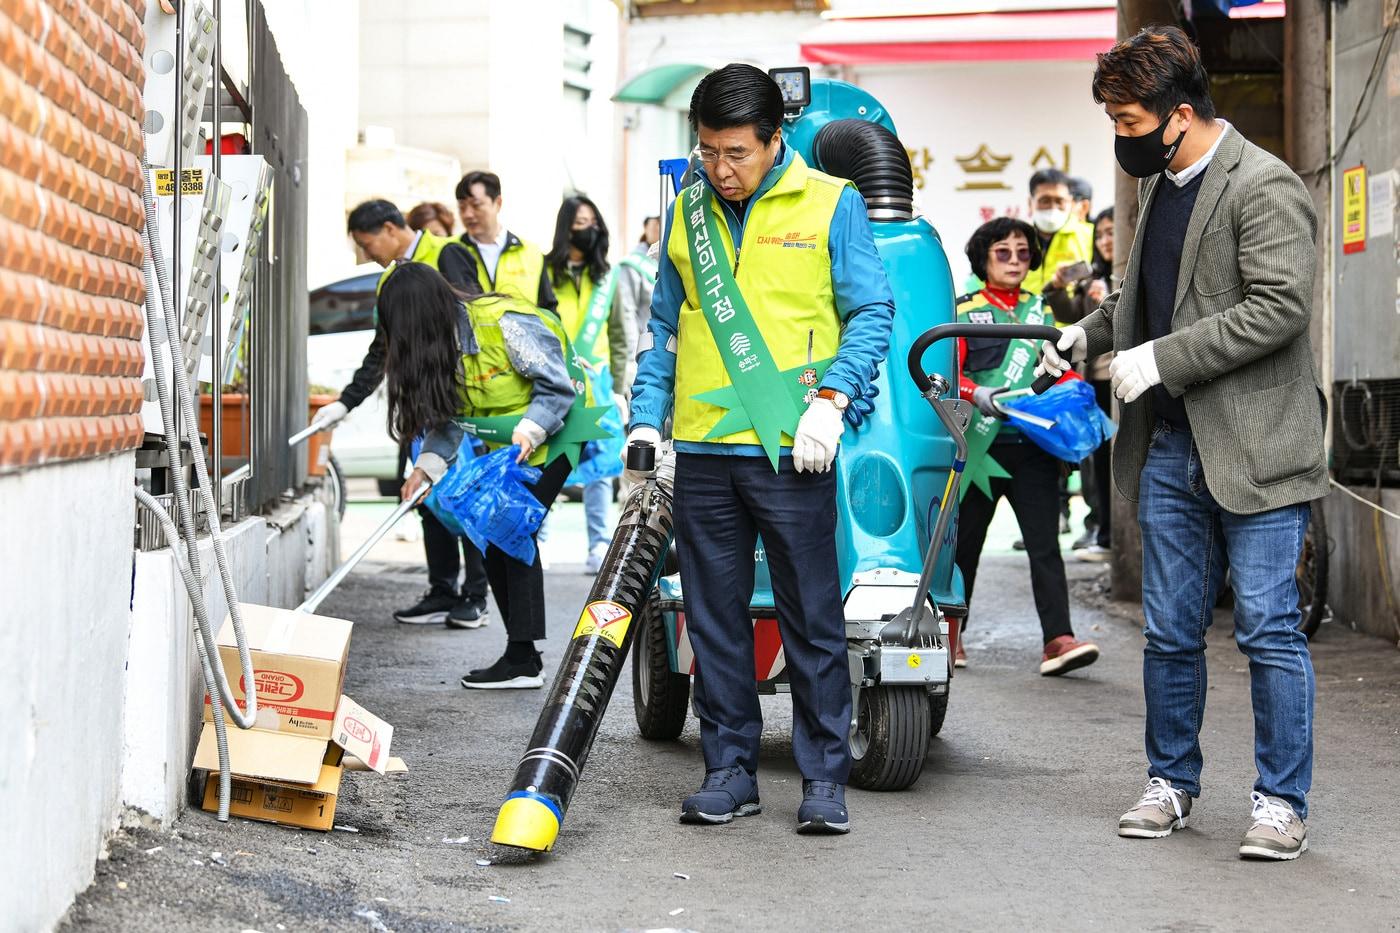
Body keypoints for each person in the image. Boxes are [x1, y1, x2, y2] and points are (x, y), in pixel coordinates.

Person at [1038, 26, 1326, 860]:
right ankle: (1172, 782)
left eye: (1128, 121)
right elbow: (1144, 299)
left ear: (1181, 113)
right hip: (1169, 446)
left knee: (1269, 629)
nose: (1120, 138)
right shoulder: (1162, 187)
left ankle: (1281, 800)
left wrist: (1158, 358)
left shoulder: (1263, 186)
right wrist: (1085, 336)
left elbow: (1278, 308)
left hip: (1256, 448)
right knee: (1168, 630)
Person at [628, 63, 894, 835]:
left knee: (811, 615)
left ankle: (821, 778)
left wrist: (834, 399)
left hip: (791, 446)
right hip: (705, 449)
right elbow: (668, 329)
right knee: (714, 619)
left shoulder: (831, 203)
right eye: (707, 150)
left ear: (776, 140)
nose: (720, 168)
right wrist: (649, 415)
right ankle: (730, 769)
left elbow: (871, 311)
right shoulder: (689, 213)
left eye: (737, 152)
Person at [384, 263, 578, 689]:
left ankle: (524, 659)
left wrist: (530, 428)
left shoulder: (502, 325)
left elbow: (558, 387)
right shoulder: (443, 347)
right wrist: (425, 469)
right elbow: (452, 420)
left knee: (511, 528)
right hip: (511, 451)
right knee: (489, 533)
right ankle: (521, 655)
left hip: (558, 434)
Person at [315, 200, 492, 631]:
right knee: (425, 498)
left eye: (366, 242)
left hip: (460, 402)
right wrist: (347, 401)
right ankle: (442, 589)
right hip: (422, 401)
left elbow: (466, 326)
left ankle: (475, 595)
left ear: (390, 229)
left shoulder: (446, 254)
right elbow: (384, 345)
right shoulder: (390, 279)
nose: (365, 253)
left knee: (467, 499)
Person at [952, 217, 1101, 676]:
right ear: (983, 259)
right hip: (981, 448)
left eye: (1022, 253)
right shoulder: (962, 309)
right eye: (1003, 252)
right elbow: (944, 376)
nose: (1015, 260)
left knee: (1044, 546)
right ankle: (949, 635)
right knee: (965, 547)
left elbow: (1058, 370)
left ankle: (1058, 639)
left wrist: (1074, 392)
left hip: (1034, 448)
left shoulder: (1041, 310)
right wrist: (974, 393)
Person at [544, 195, 635, 573]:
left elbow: (619, 337)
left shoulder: (607, 276)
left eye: (593, 221)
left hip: (596, 384)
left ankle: (598, 545)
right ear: (566, 228)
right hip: (553, 381)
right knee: (548, 460)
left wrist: (618, 387)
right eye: (581, 222)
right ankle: (540, 539)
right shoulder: (545, 273)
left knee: (600, 468)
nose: (589, 229)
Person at [1044, 206, 1115, 560]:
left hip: (1133, 380)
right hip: (1097, 382)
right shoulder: (1094, 279)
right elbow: (1073, 318)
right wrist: (1057, 287)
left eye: (1112, 232)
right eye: (1100, 234)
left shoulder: (1134, 276)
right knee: (1096, 459)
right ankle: (1102, 529)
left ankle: (1111, 532)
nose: (1105, 240)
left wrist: (1111, 298)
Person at [455, 170, 557, 312]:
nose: (468, 214)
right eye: (462, 207)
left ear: (498, 203)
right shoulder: (450, 250)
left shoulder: (530, 252)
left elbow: (548, 308)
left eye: (476, 205)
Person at [1020, 167, 1096, 298]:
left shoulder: (1090, 236)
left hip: (1074, 318)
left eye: (1059, 201)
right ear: (1030, 203)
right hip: (1019, 318)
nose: (1053, 207)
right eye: (1045, 200)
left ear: (1071, 203)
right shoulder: (1017, 239)